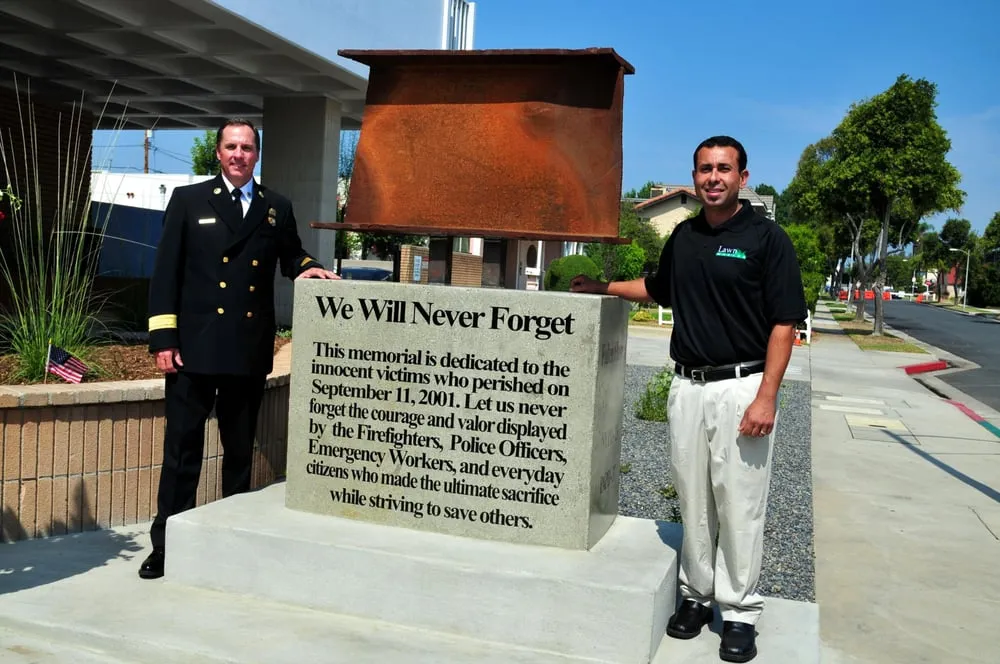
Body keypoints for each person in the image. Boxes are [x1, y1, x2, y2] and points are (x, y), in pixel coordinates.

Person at [571, 136, 805, 663]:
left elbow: (784, 323)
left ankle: (740, 611)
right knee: (693, 498)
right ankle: (697, 597)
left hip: (741, 388)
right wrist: (603, 287)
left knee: (740, 502)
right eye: (705, 169)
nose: (714, 178)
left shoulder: (768, 239)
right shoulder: (683, 236)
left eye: (724, 169)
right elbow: (659, 289)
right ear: (694, 177)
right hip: (687, 387)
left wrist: (766, 396)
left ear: (744, 177)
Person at [139, 118, 339, 579]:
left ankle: (229, 540)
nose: (238, 154)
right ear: (218, 152)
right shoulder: (188, 201)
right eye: (231, 146)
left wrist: (310, 268)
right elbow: (165, 273)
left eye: (247, 148)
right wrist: (163, 339)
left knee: (239, 454)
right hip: (192, 351)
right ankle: (165, 546)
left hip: (245, 351)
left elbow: (292, 255)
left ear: (257, 154)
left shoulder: (276, 208)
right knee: (182, 453)